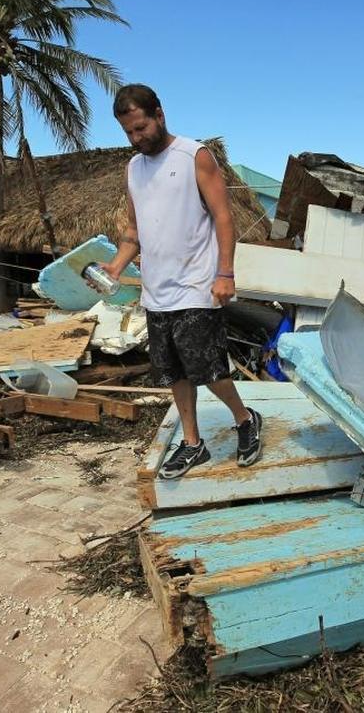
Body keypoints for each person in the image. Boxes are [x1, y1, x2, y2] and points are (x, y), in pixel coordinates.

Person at [97, 83, 263, 479]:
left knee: (209, 369)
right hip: (158, 291)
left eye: (141, 128)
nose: (137, 139)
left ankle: (244, 419)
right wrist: (116, 267)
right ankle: (193, 444)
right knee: (174, 373)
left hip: (197, 284)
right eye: (129, 133)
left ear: (159, 114)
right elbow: (135, 232)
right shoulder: (133, 169)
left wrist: (225, 273)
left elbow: (224, 216)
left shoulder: (194, 156)